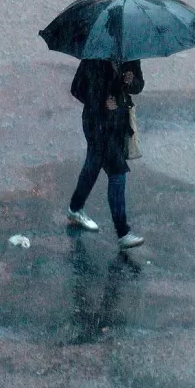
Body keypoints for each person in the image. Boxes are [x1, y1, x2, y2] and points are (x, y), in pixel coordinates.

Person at [66, 58, 145, 249]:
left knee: (92, 166)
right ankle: (123, 232)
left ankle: (75, 208)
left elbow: (138, 86)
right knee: (117, 171)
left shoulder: (131, 54)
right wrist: (101, 102)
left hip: (118, 125)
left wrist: (129, 81)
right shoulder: (94, 57)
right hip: (96, 123)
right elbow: (77, 88)